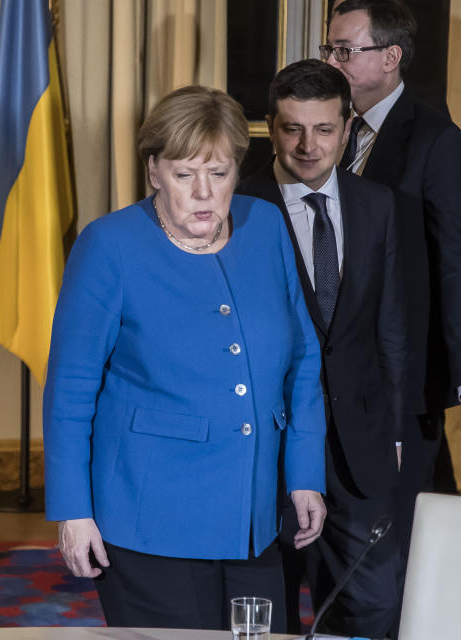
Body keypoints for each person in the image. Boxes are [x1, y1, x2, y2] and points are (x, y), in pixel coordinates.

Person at [44, 85, 328, 632]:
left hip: (254, 520)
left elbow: (303, 359)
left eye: (218, 174)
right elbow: (70, 391)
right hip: (150, 520)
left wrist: (303, 476)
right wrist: (73, 511)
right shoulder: (110, 246)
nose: (203, 192)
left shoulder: (264, 225)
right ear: (154, 172)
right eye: (183, 174)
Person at [239, 59, 407, 637]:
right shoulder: (238, 210)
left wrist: (397, 429)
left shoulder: (377, 204)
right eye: (292, 129)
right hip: (273, 444)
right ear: (270, 125)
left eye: (325, 129)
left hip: (361, 444)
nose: (309, 146)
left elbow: (390, 328)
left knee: (377, 605)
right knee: (271, 611)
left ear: (347, 128)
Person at [325, 0, 461, 564]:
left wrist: (454, 371)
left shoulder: (435, 138)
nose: (332, 62)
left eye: (345, 51)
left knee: (403, 532)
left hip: (405, 368)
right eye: (328, 49)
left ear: (391, 57)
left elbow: (453, 261)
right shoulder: (329, 132)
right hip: (340, 364)